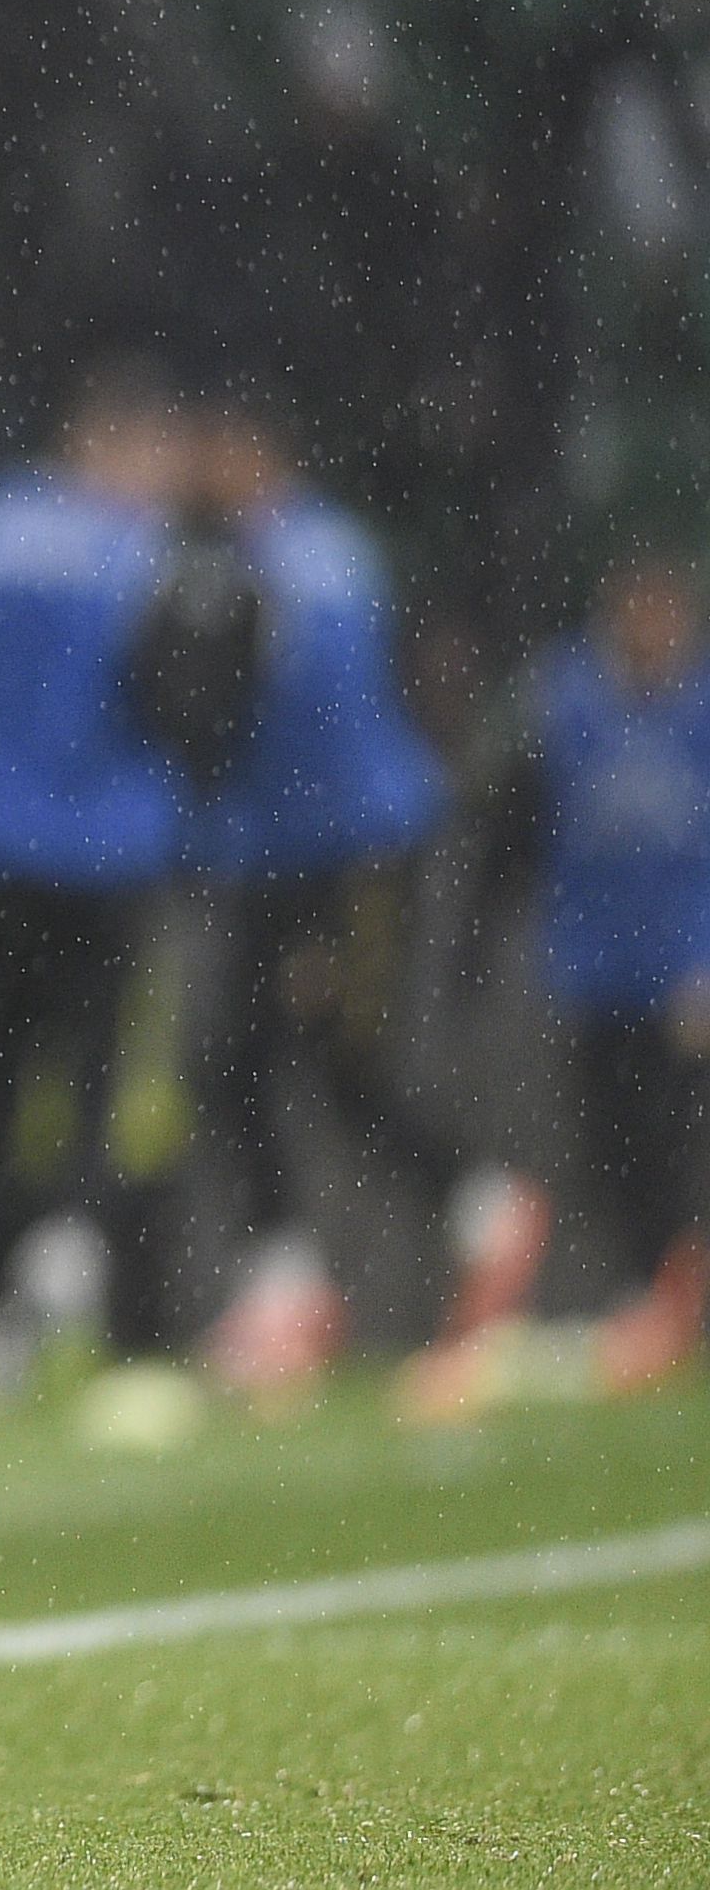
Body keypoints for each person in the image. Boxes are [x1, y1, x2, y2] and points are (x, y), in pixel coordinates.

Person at [0, 359, 233, 1379]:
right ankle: (78, 1284)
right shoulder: (138, 553)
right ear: (107, 443)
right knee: (99, 1088)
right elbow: (183, 701)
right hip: (95, 855)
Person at [186, 397, 538, 1403]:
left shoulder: (298, 563)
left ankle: (462, 1218)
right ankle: (330, 1269)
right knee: (258, 1063)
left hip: (345, 850)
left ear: (246, 450)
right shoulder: (306, 552)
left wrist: (312, 914)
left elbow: (316, 722)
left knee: (324, 1062)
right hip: (303, 851)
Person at [410, 548, 710, 1418]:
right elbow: (511, 824)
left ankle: (671, 1290)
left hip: (684, 966)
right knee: (607, 1135)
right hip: (594, 960)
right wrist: (474, 946)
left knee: (669, 1137)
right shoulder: (566, 699)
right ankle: (642, 1295)